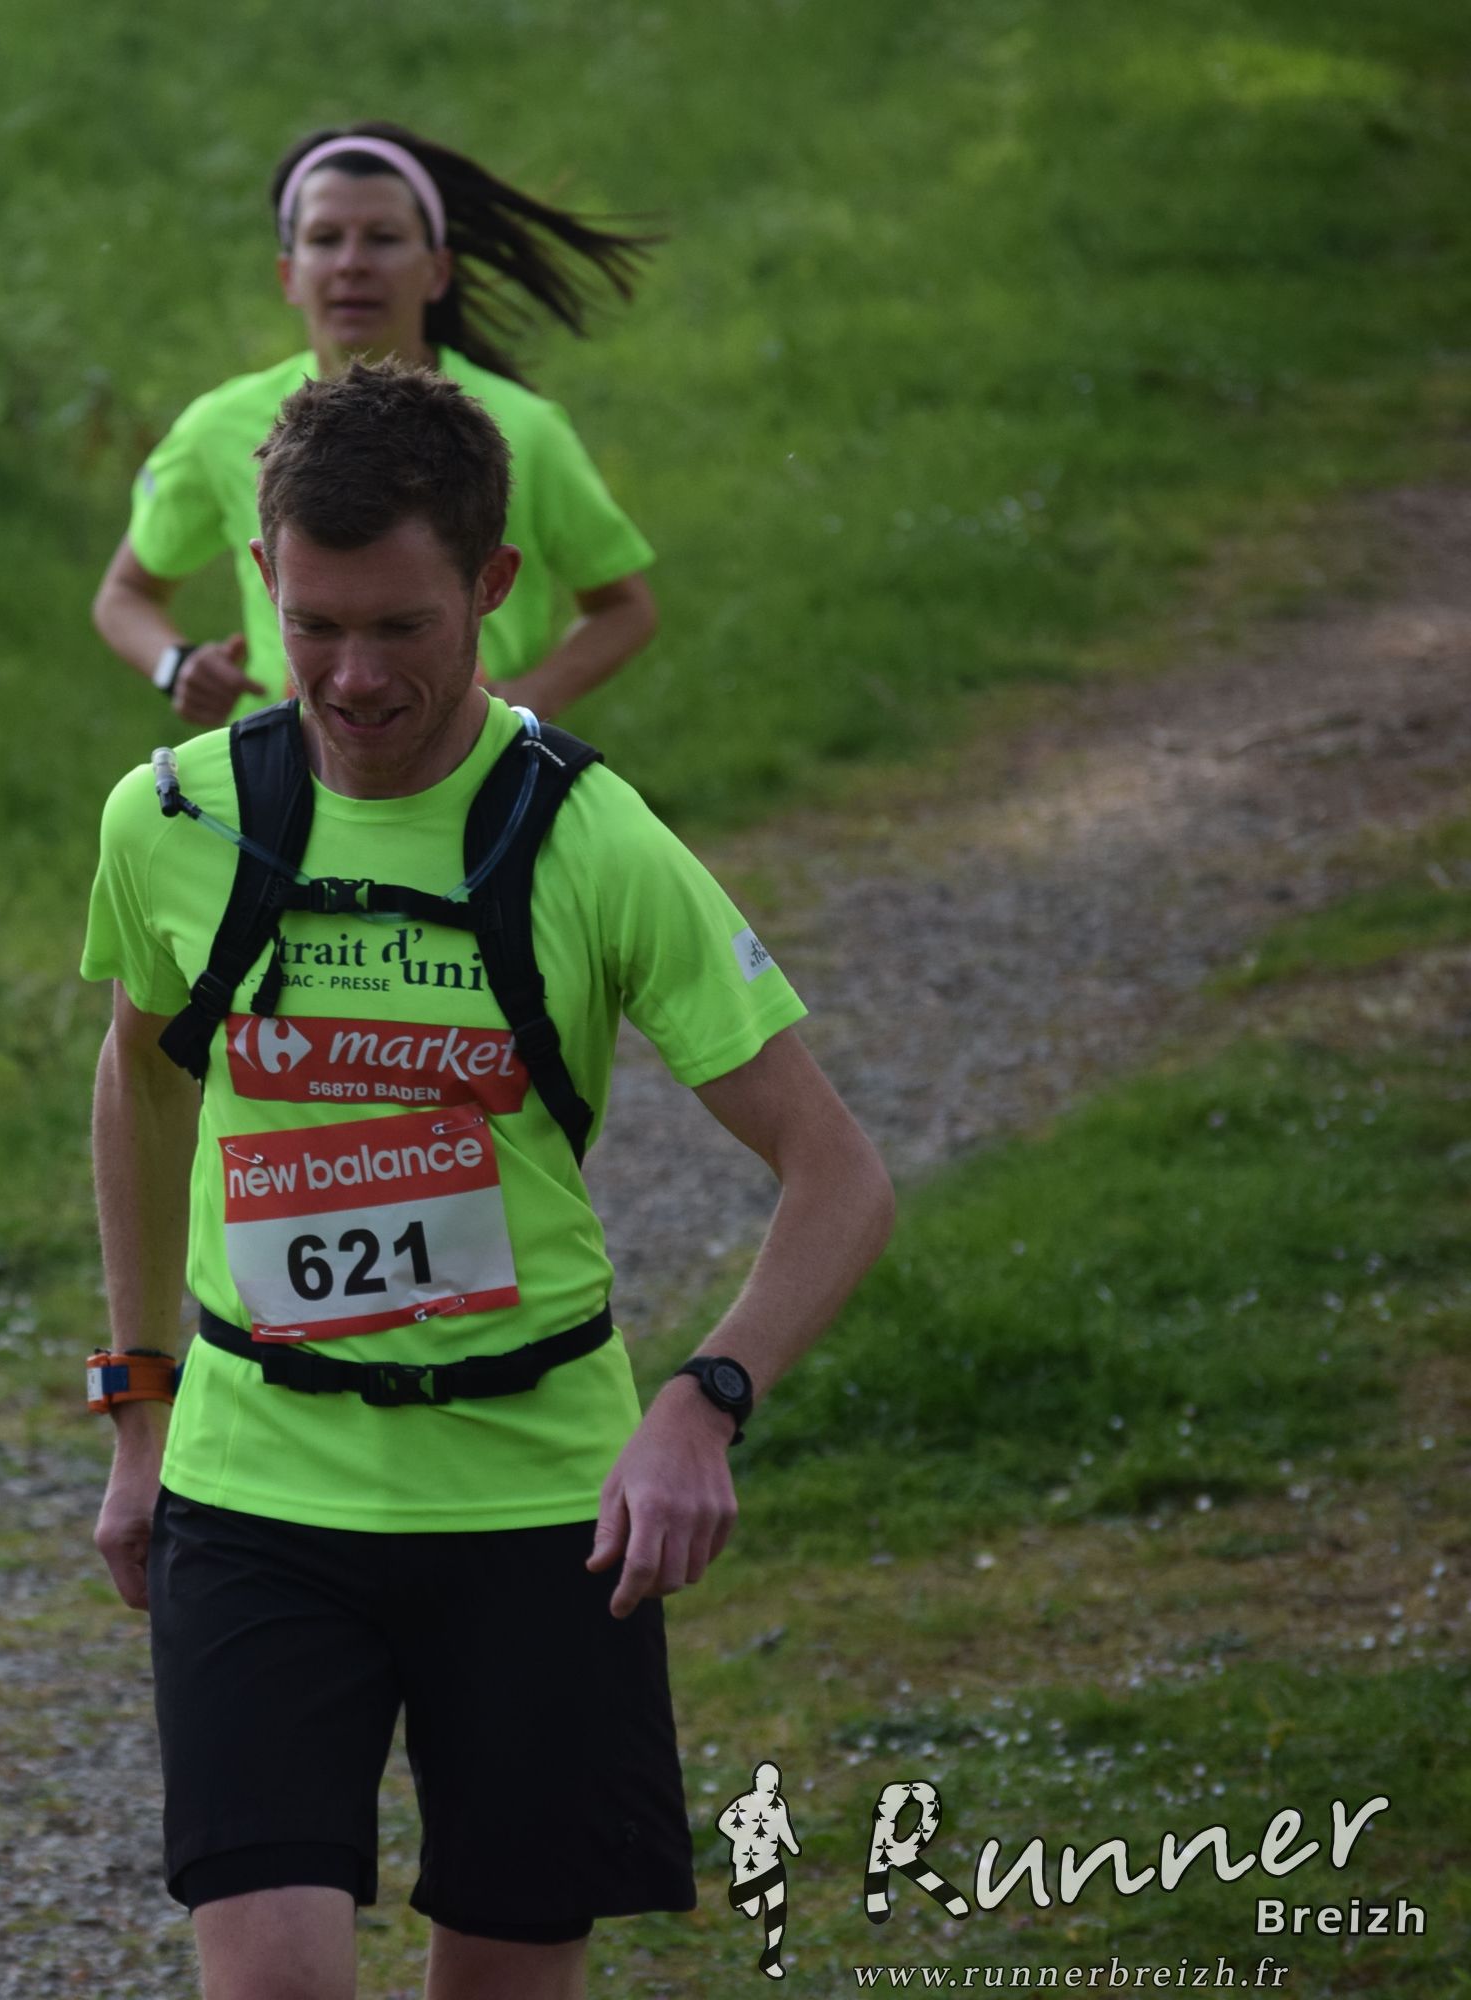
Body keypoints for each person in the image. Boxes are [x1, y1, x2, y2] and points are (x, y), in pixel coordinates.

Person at [78, 364, 892, 2000]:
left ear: (493, 585)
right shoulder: (171, 820)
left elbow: (836, 1174)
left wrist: (705, 1403)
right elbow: (142, 1074)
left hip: (536, 1509)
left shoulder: (591, 839)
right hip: (258, 1484)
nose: (353, 677)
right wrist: (138, 1402)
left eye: (403, 627)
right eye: (313, 625)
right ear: (262, 571)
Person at [92, 121, 662, 730]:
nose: (352, 264)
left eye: (383, 238)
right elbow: (124, 594)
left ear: (437, 271)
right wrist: (176, 665)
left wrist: (528, 700)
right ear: (289, 275)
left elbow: (624, 606)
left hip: (477, 766)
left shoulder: (523, 429)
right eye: (325, 239)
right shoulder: (220, 427)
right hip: (286, 772)